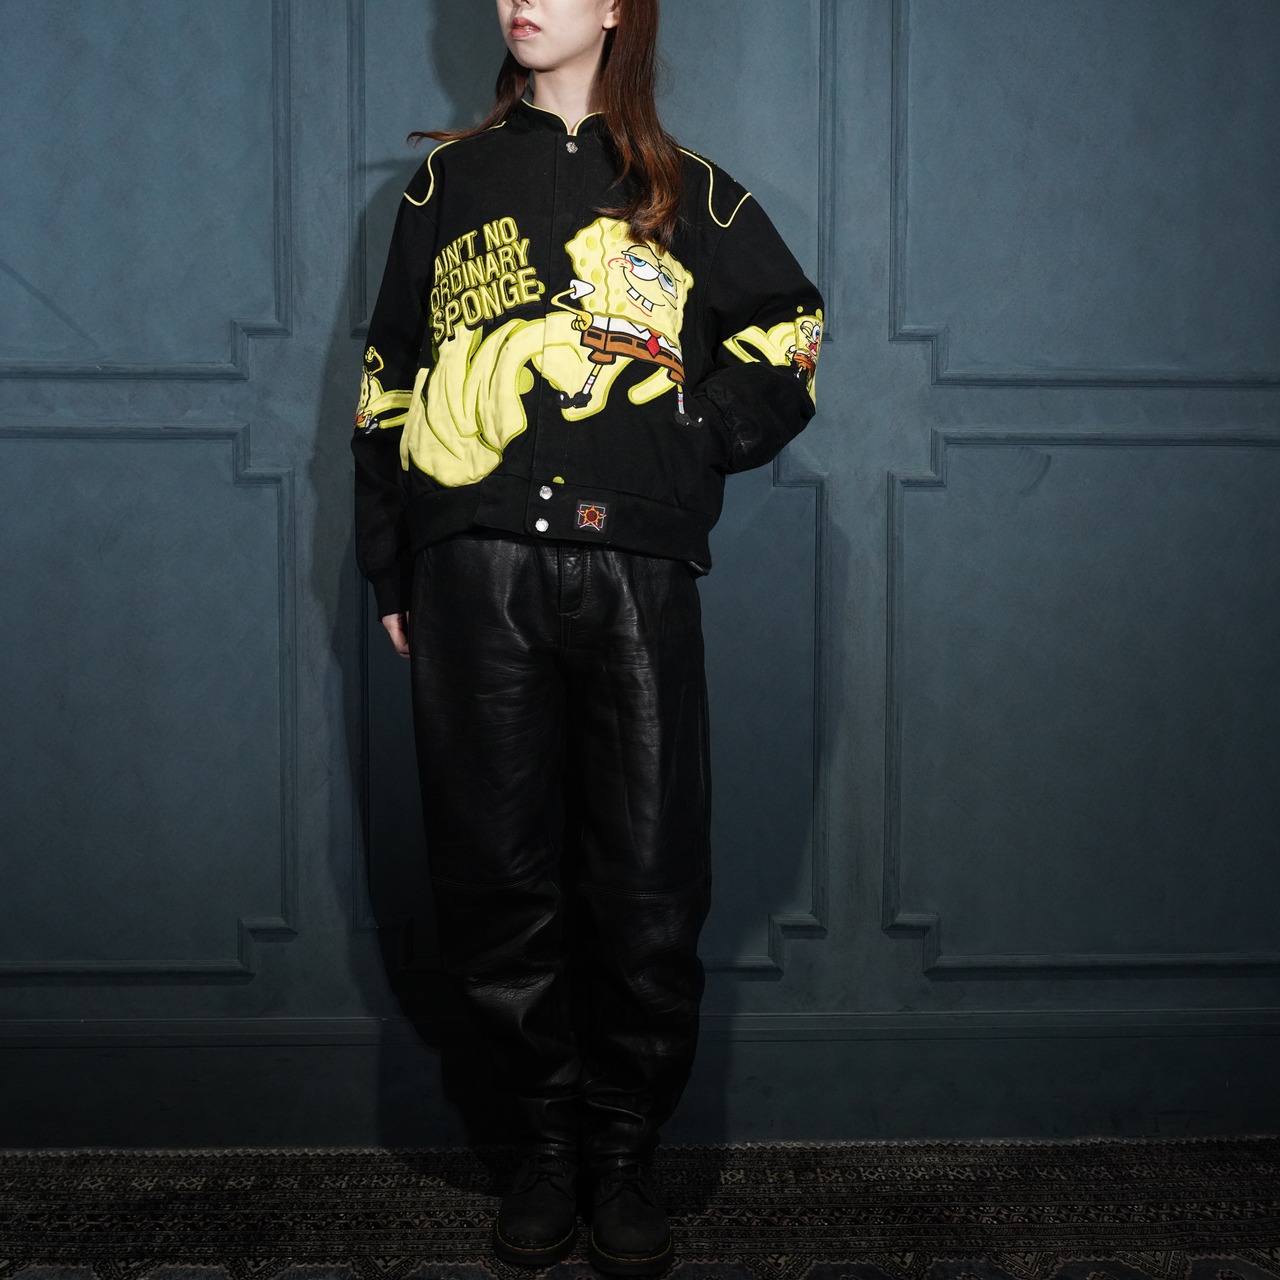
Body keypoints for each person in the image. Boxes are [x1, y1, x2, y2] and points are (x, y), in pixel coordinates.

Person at [351, 0, 823, 1272]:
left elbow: (789, 340)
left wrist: (690, 434)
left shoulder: (688, 191)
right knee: (495, 877)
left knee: (645, 880)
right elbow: (386, 380)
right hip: (474, 572)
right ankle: (543, 1154)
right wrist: (392, 556)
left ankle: (621, 1154)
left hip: (634, 574)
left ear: (616, 8)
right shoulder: (444, 185)